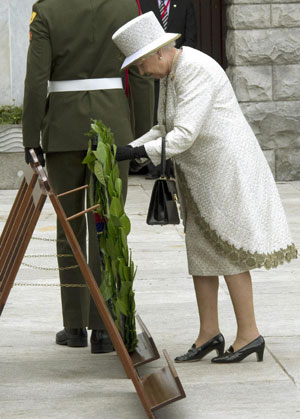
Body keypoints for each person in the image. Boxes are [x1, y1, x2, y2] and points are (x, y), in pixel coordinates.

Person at [112, 12, 298, 363]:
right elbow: (163, 126)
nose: (140, 73)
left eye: (139, 65)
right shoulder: (172, 72)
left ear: (160, 52)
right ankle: (209, 332)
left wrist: (135, 152)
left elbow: (183, 134)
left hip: (226, 173)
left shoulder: (194, 68)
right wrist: (127, 149)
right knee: (200, 254)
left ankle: (249, 334)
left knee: (229, 253)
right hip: (200, 176)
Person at [22, 0, 153, 353]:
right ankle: (105, 328)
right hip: (113, 127)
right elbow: (141, 74)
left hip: (64, 130)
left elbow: (36, 80)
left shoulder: (47, 10)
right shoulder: (128, 7)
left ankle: (74, 325)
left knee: (70, 228)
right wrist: (142, 138)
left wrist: (30, 137)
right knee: (107, 224)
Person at [134, 0, 197, 178]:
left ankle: (175, 166)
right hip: (155, 70)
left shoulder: (184, 3)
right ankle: (156, 167)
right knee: (158, 117)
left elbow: (191, 35)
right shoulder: (143, 3)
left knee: (178, 118)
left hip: (177, 68)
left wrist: (179, 63)